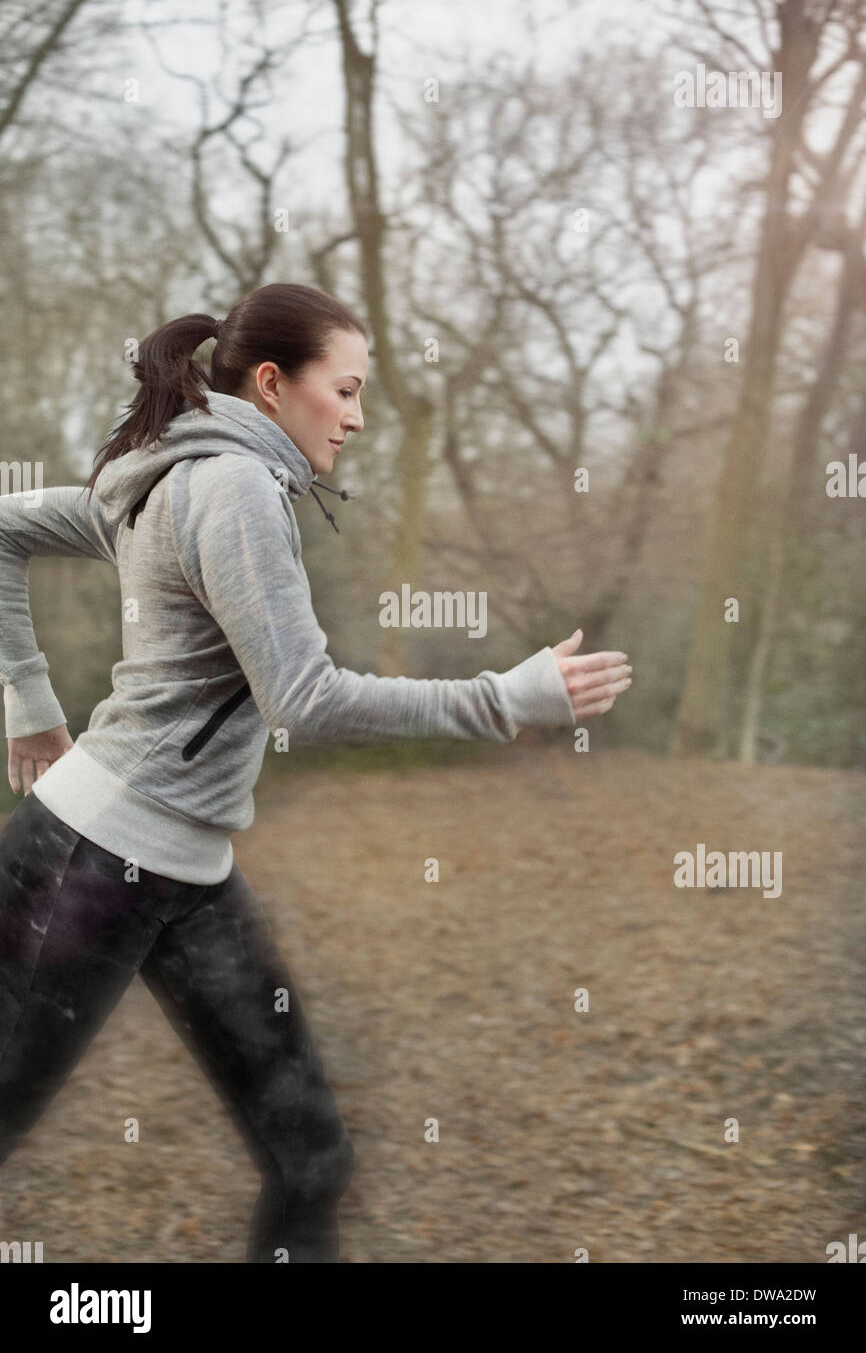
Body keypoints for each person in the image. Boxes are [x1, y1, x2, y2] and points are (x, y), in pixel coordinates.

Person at [0, 282, 633, 1263]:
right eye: (343, 389)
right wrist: (503, 700)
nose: (358, 413)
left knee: (310, 1155)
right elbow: (305, 697)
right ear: (271, 383)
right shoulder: (230, 487)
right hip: (85, 863)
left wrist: (34, 711)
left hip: (185, 870)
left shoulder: (165, 474)